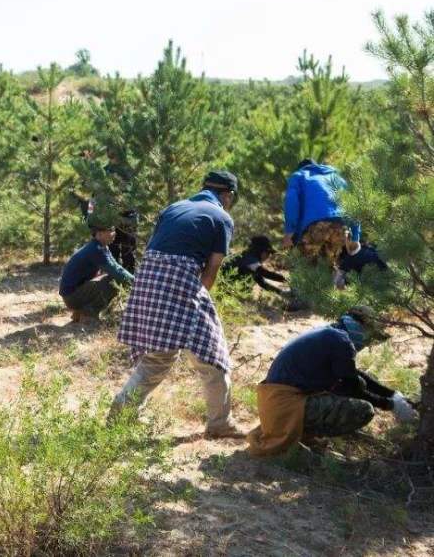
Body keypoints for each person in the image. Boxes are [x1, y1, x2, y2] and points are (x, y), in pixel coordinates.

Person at [110, 171, 245, 439]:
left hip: (147, 279)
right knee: (213, 355)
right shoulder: (222, 218)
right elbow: (210, 273)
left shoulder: (173, 208)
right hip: (179, 281)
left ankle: (118, 417)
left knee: (157, 357)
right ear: (227, 195)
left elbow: (153, 250)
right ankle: (219, 423)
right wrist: (193, 307)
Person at [247, 308, 416, 456]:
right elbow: (351, 387)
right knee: (363, 410)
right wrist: (389, 405)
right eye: (371, 337)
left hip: (273, 405)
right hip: (286, 407)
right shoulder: (341, 341)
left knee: (357, 384)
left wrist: (393, 394)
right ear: (363, 328)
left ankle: (304, 432)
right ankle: (305, 438)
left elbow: (353, 376)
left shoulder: (331, 334)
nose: (369, 342)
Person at [282, 159, 361, 284]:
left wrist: (289, 232)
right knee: (328, 267)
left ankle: (301, 299)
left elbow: (291, 201)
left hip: (315, 227)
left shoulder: (298, 176)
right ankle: (329, 298)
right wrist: (356, 236)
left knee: (303, 266)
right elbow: (354, 205)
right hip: (340, 228)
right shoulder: (336, 177)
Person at [59, 208, 134, 321]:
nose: (114, 233)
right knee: (113, 281)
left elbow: (116, 267)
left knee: (109, 277)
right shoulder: (96, 250)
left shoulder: (101, 246)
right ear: (99, 234)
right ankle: (88, 314)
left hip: (72, 294)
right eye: (110, 230)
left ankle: (79, 313)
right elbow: (116, 271)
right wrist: (137, 283)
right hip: (71, 297)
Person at [223, 235, 287, 295]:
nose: (268, 256)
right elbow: (264, 272)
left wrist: (282, 293)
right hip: (225, 287)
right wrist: (286, 280)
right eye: (268, 253)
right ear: (261, 251)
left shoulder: (247, 258)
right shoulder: (249, 258)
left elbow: (262, 283)